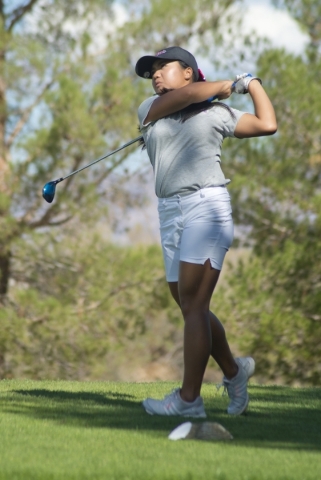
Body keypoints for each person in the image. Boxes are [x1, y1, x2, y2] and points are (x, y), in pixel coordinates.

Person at [135, 46, 277, 417]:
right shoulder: (149, 110)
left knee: (195, 304)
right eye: (152, 70)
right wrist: (222, 84)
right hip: (168, 212)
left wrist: (252, 84)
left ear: (187, 71)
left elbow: (267, 124)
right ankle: (234, 371)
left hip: (206, 207)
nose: (155, 74)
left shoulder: (217, 113)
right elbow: (188, 96)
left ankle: (188, 400)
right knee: (187, 304)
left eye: (163, 67)